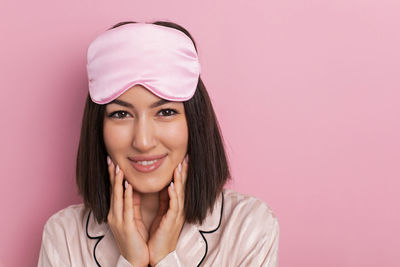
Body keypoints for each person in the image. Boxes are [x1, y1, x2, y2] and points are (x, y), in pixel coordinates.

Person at [38, 20, 279, 267]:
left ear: (194, 122)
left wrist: (164, 258)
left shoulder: (248, 228)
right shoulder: (64, 237)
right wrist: (132, 261)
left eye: (165, 112)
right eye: (121, 114)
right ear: (97, 127)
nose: (143, 141)